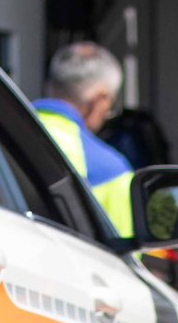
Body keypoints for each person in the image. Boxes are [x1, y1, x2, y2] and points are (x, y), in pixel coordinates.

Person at [34, 42, 135, 236]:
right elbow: (123, 256)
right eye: (110, 106)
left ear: (50, 85)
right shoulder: (112, 169)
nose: (107, 114)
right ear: (101, 99)